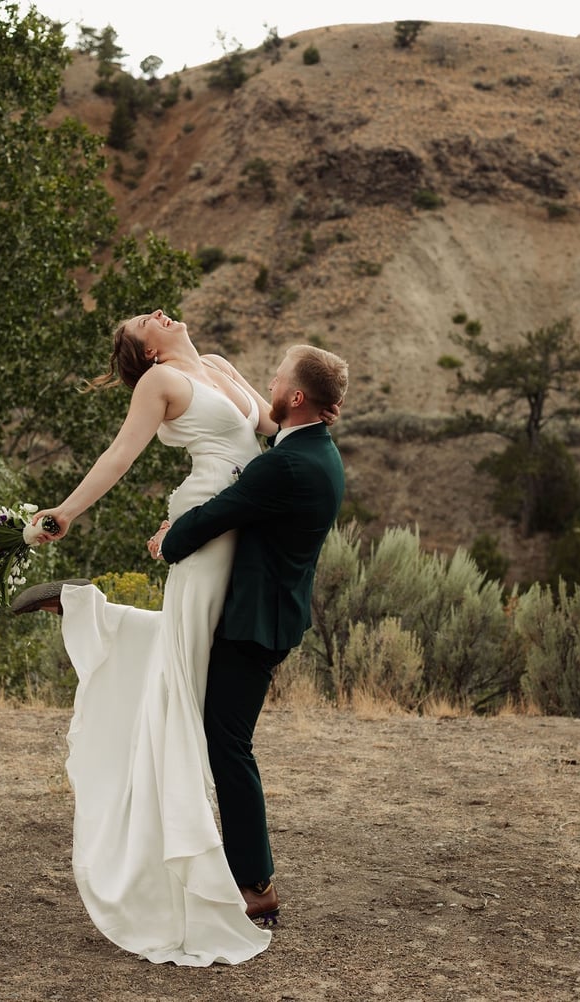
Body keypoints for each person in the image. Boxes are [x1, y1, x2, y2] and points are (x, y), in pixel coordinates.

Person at [16, 309, 333, 966]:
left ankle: (91, 615)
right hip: (206, 523)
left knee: (183, 664)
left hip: (242, 523)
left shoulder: (215, 365)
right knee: (185, 677)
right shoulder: (156, 387)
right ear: (147, 352)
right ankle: (205, 862)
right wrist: (65, 513)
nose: (156, 313)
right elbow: (119, 454)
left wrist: (321, 411)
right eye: (143, 322)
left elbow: (273, 428)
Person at [147, 343, 348, 923]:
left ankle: (256, 885)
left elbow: (220, 512)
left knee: (228, 745)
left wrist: (168, 541)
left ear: (298, 397)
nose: (271, 383)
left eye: (278, 378)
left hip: (254, 624)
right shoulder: (316, 452)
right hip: (269, 614)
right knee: (222, 737)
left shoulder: (286, 463)